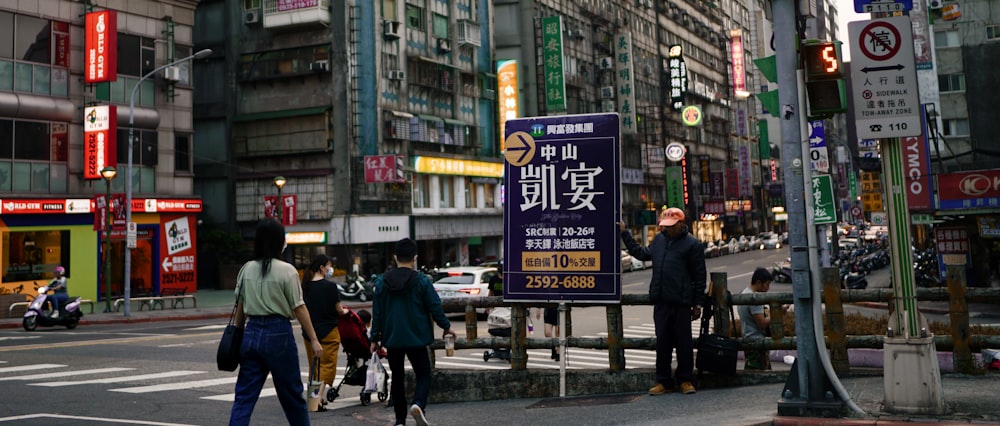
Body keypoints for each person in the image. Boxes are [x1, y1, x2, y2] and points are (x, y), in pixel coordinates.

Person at [229, 218, 323, 426]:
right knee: (292, 396)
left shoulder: (246, 269)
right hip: (278, 332)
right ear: (279, 241)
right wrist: (314, 340)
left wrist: (237, 332)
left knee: (244, 396)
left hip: (251, 332)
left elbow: (241, 306)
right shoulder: (287, 270)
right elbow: (299, 307)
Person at [620, 207, 706, 395]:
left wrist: (698, 304)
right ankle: (663, 381)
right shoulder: (659, 240)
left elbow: (700, 277)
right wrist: (625, 233)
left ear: (681, 224)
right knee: (663, 343)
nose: (668, 229)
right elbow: (641, 253)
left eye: (672, 226)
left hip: (682, 302)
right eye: (665, 226)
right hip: (661, 301)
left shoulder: (692, 245)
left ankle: (685, 380)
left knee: (684, 344)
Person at [370, 237, 455, 426]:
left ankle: (400, 421)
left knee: (397, 377)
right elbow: (435, 306)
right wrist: (446, 326)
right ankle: (418, 404)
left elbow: (377, 313)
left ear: (395, 257)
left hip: (392, 338)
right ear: (414, 258)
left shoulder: (382, 282)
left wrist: (374, 338)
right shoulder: (422, 281)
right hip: (417, 337)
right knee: (424, 373)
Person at [301, 254, 347, 412]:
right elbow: (339, 310)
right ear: (321, 267)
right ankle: (317, 400)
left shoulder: (305, 286)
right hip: (329, 332)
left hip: (309, 333)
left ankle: (313, 400)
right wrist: (345, 312)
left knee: (314, 367)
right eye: (328, 265)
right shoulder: (330, 287)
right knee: (326, 367)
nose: (330, 269)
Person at [739, 267, 787, 370]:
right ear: (758, 283)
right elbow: (762, 323)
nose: (768, 288)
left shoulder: (744, 293)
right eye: (767, 284)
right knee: (760, 372)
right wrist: (778, 313)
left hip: (748, 338)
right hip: (756, 341)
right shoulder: (754, 299)